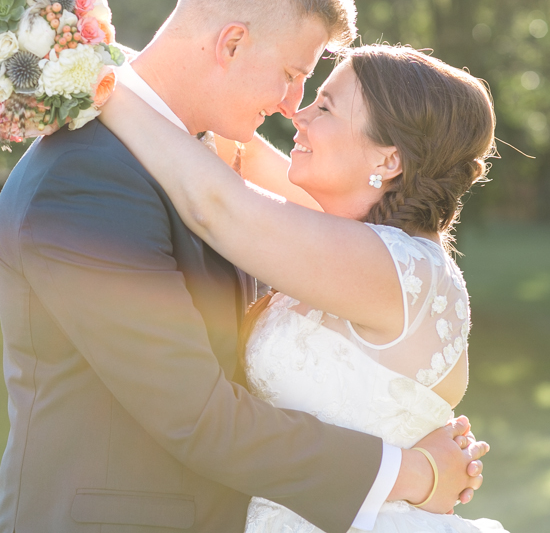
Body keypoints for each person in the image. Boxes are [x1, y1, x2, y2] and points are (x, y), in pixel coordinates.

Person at [0, 0, 487, 533]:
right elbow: (196, 415)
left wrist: (404, 422)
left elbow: (232, 203)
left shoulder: (202, 171)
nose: (291, 107)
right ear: (230, 43)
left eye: (314, 95)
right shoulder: (88, 180)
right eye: (291, 75)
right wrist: (412, 470)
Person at [97, 43, 508, 532]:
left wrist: (94, 82)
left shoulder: (395, 269)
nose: (298, 113)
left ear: (389, 157)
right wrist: (92, 36)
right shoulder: (352, 239)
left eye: (326, 107)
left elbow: (218, 206)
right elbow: (233, 148)